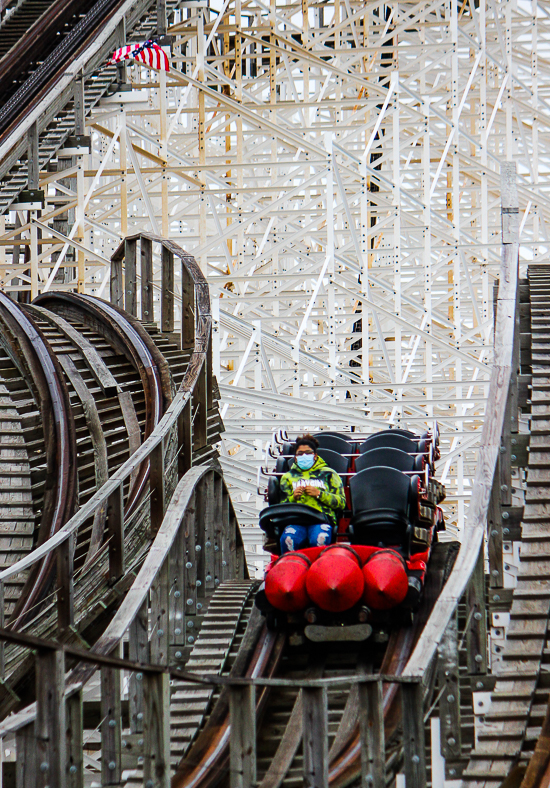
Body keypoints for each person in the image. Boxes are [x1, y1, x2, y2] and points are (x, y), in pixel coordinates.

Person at [279, 434, 346, 553]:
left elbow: (341, 503)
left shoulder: (329, 474)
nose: (304, 456)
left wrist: (320, 494)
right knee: (288, 540)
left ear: (315, 456)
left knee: (319, 540)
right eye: (300, 453)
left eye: (308, 453)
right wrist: (293, 498)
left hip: (321, 519)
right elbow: (280, 506)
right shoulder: (287, 477)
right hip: (296, 521)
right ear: (295, 457)